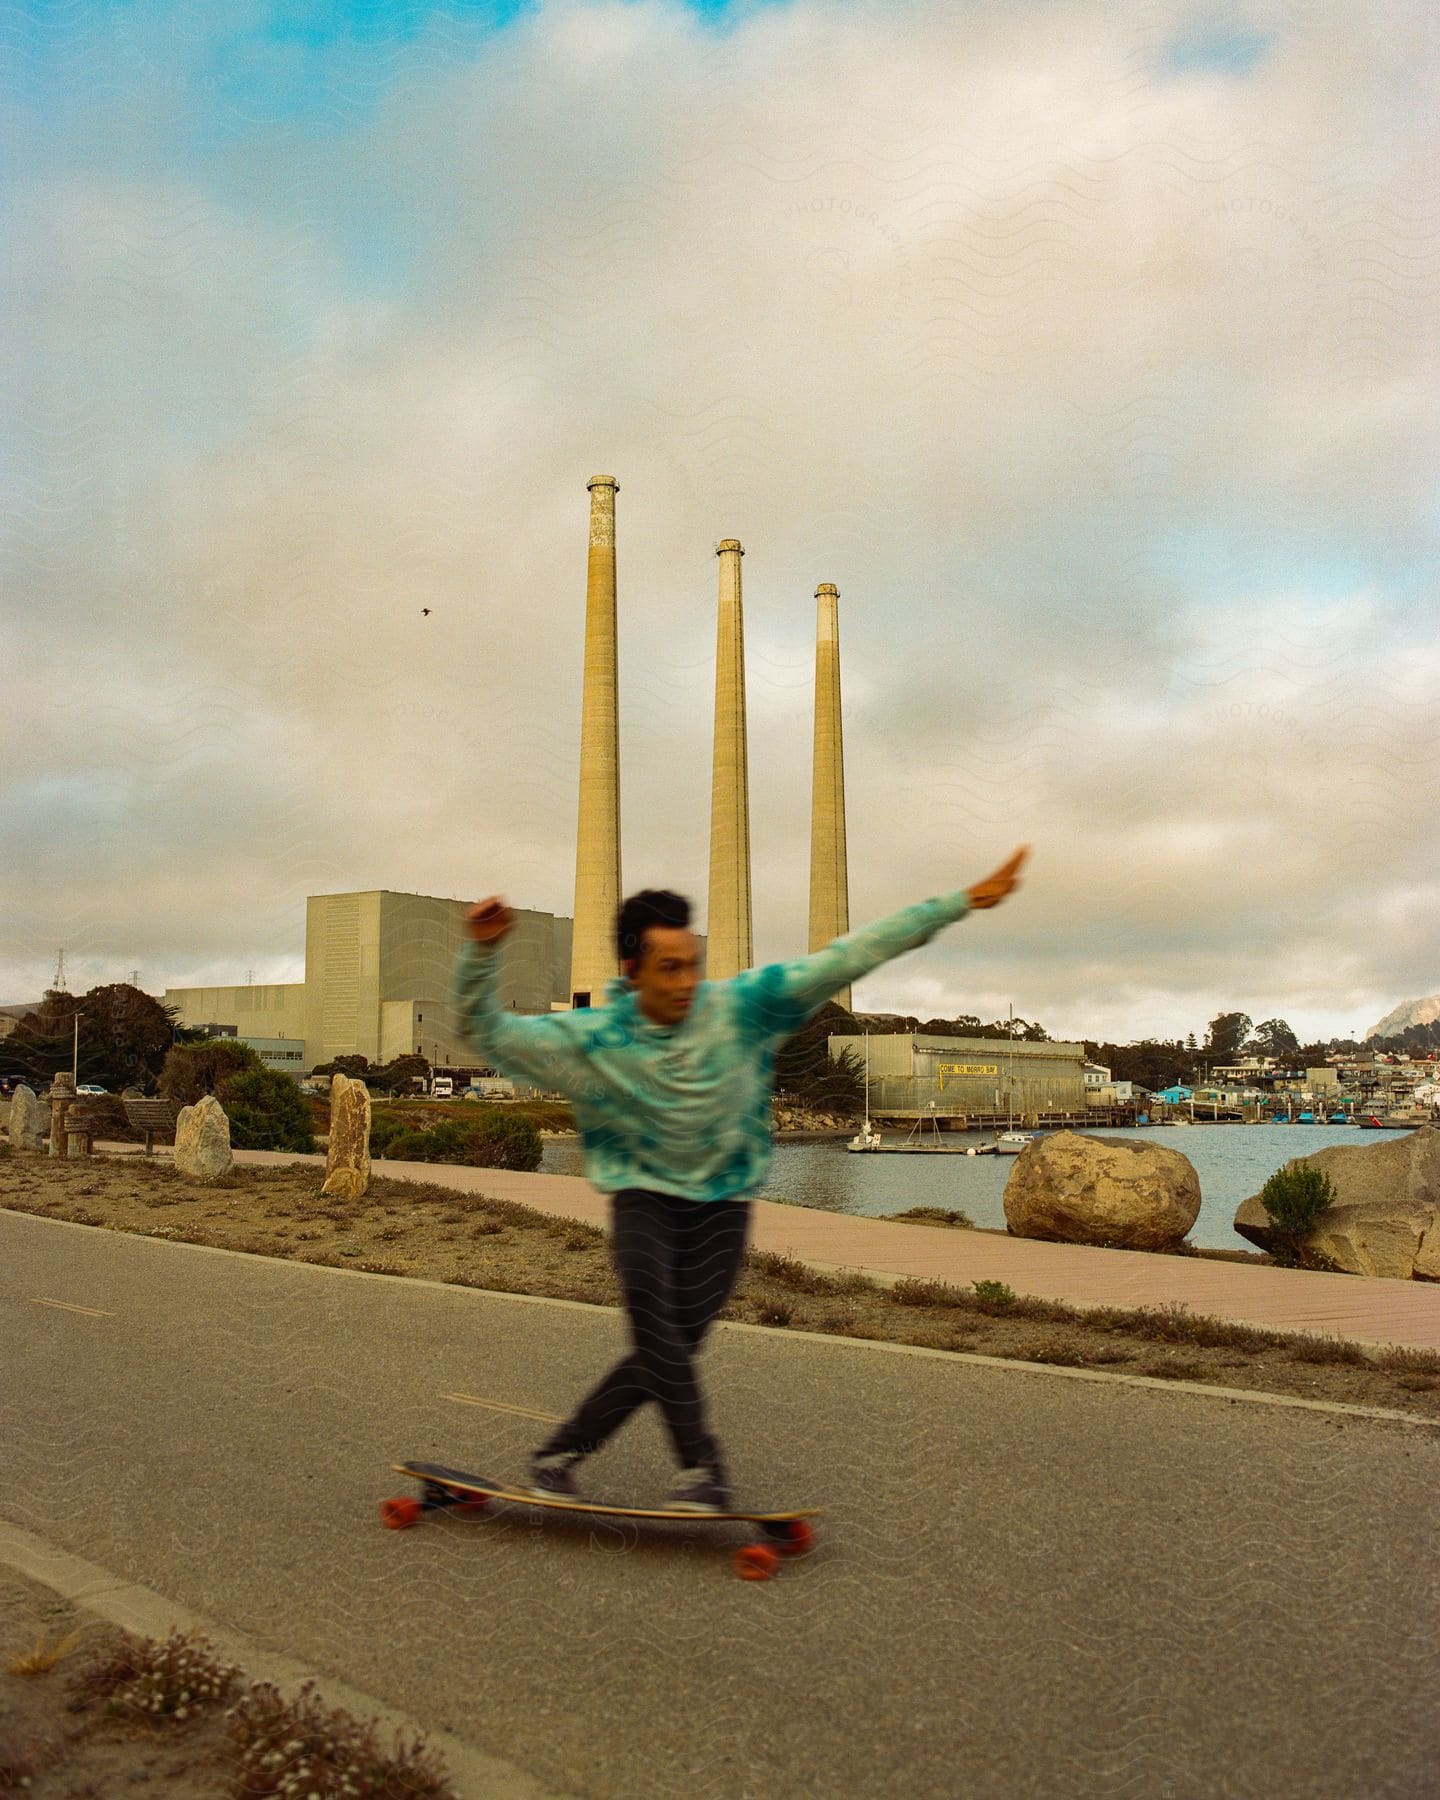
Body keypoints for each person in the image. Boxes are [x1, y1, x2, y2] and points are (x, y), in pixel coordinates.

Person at [451, 846, 1028, 1513]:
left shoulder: (744, 1007)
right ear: (631, 971)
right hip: (643, 1198)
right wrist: (482, 951)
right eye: (668, 968)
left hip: (723, 1205)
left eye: (692, 963)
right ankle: (703, 1470)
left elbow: (849, 955)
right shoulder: (589, 1039)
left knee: (670, 1346)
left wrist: (959, 903)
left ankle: (558, 1455)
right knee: (651, 1319)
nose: (686, 981)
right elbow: (481, 1029)